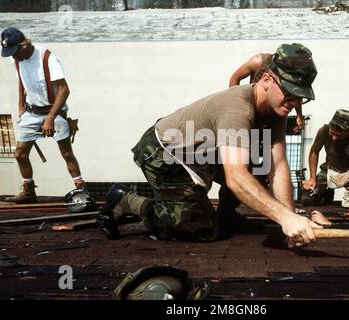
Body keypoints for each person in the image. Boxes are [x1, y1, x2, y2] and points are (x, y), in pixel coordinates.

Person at [97, 43, 322, 248]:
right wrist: (284, 218)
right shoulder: (238, 109)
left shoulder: (275, 111)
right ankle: (126, 200)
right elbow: (236, 177)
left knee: (258, 165)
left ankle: (226, 214)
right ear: (265, 81)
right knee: (199, 228)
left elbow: (278, 165)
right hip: (164, 153)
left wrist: (292, 223)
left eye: (300, 97)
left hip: (203, 154)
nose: (294, 103)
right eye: (290, 93)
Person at [0, 27, 84, 203]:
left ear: (24, 45)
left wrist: (50, 119)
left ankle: (82, 190)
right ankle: (29, 191)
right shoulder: (16, 59)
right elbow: (21, 82)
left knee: (66, 153)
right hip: (32, 112)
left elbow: (64, 89)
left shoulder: (47, 57)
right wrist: (21, 105)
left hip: (55, 110)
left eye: (15, 52)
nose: (13, 57)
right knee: (20, 154)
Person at [229, 46, 305, 133]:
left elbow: (296, 94)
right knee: (240, 138)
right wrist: (235, 106)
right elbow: (235, 78)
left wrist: (299, 115)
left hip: (271, 114)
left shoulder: (295, 74)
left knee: (265, 141)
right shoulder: (259, 61)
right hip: (254, 107)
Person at [302, 109, 349, 208]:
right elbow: (314, 152)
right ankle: (326, 194)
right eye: (332, 133)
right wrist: (312, 178)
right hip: (330, 170)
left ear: (348, 131)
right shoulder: (323, 131)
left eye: (339, 135)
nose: (334, 138)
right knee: (307, 200)